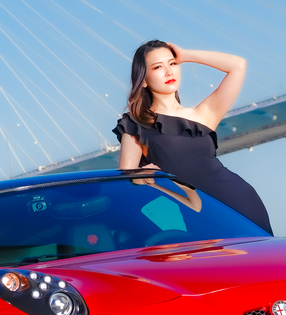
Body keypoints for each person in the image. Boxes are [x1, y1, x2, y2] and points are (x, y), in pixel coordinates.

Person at [113, 41, 273, 234]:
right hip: (197, 214)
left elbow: (238, 65)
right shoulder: (135, 124)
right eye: (158, 67)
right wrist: (143, 175)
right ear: (144, 80)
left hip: (241, 202)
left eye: (172, 64)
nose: (169, 72)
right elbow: (126, 180)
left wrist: (185, 55)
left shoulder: (203, 114)